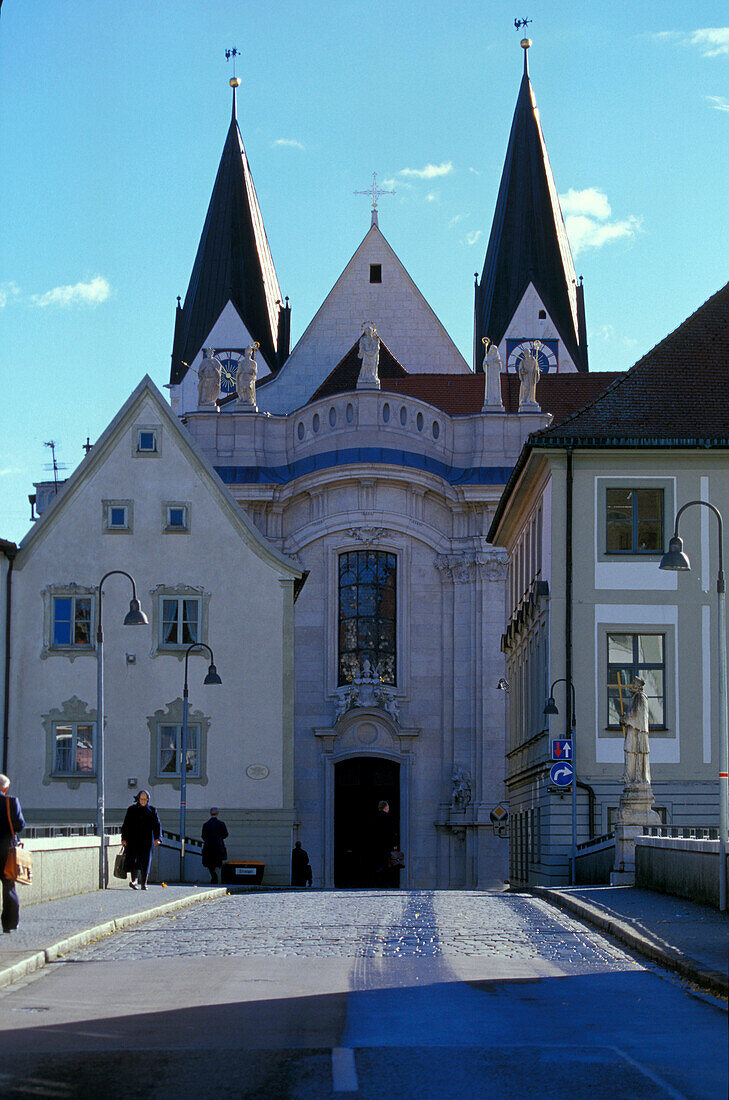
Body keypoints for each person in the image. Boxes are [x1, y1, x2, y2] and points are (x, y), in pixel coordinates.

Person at [121, 789, 161, 890]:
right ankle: (134, 881)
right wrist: (124, 838)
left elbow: (157, 825)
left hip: (147, 840)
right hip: (133, 839)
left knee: (146, 861)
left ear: (148, 800)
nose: (143, 801)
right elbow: (126, 824)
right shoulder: (131, 809)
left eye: (145, 799)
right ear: (138, 799)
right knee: (133, 860)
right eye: (141, 799)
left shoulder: (152, 810)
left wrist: (158, 838)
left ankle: (144, 883)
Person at [0, 774, 24, 933]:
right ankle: (10, 923)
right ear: (5, 788)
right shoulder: (10, 802)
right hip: (6, 849)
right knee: (9, 886)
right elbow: (19, 825)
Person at [371, 799, 395, 887]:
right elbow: (392, 832)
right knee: (386, 863)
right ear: (385, 807)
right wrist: (394, 844)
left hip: (375, 844)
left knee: (377, 862)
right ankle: (383, 882)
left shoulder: (374, 818)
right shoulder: (389, 818)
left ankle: (377, 881)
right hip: (386, 844)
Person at [201, 807, 228, 884]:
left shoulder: (206, 824)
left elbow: (203, 836)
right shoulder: (221, 824)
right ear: (217, 814)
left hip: (208, 847)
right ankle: (215, 877)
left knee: (209, 863)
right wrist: (219, 838)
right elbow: (225, 834)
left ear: (210, 814)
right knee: (218, 863)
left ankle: (213, 876)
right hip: (218, 846)